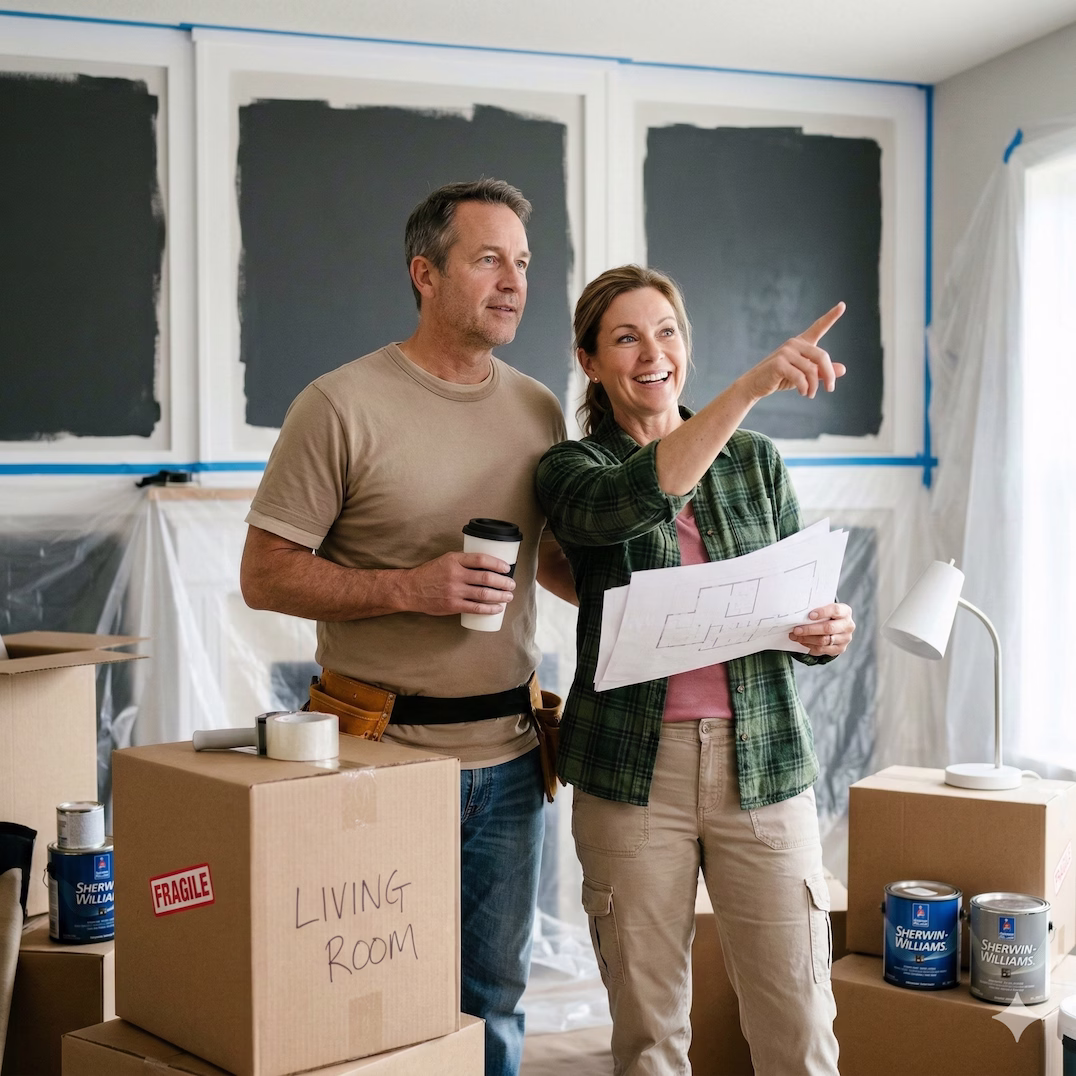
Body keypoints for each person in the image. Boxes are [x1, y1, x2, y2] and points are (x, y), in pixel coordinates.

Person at [240, 179, 575, 1076]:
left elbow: (548, 565)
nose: (514, 281)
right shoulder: (340, 405)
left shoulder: (540, 410)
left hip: (510, 757)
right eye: (489, 258)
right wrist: (411, 588)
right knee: (369, 1001)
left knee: (495, 999)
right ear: (425, 273)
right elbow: (264, 576)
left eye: (525, 263)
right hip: (375, 752)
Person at [535, 265, 855, 1076]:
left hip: (765, 766)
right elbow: (643, 495)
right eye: (626, 337)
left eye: (667, 331)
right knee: (650, 1037)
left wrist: (823, 630)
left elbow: (789, 605)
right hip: (633, 777)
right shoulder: (573, 473)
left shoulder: (756, 462)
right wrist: (750, 386)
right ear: (589, 360)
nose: (653, 353)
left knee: (801, 1024)